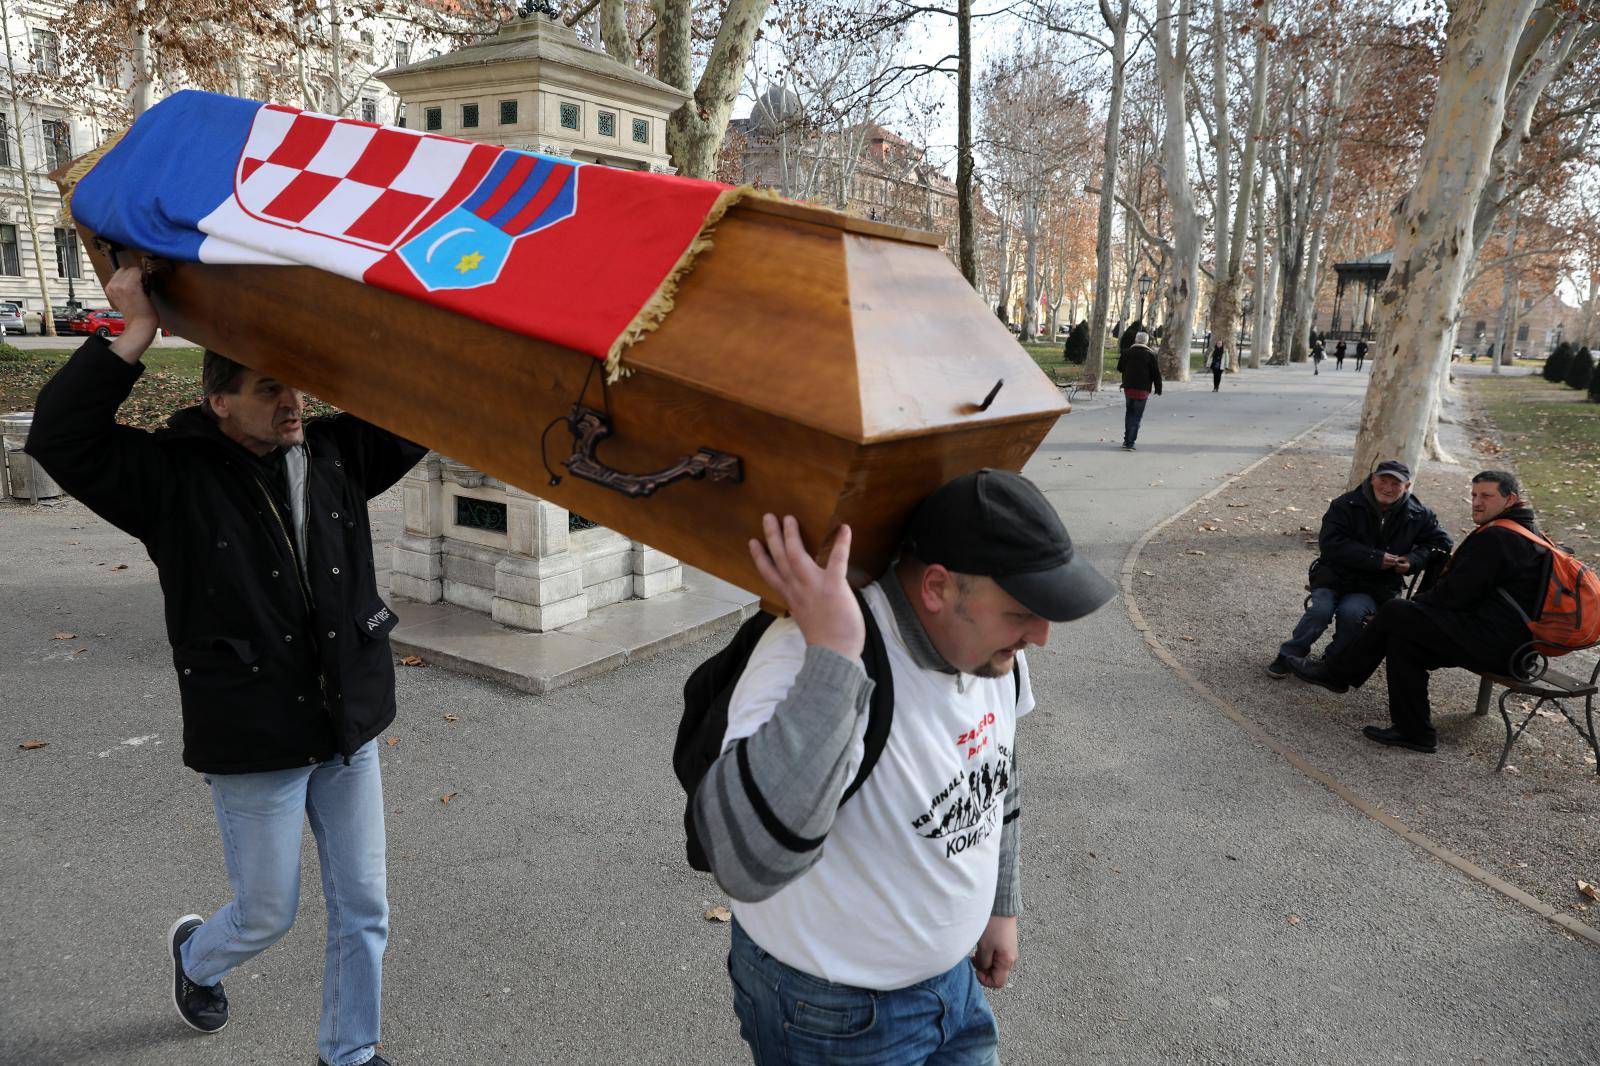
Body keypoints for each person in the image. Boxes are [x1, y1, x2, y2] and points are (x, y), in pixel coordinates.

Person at [25, 265, 426, 1066]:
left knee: (365, 906)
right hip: (254, 731)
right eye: (269, 389)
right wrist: (133, 330)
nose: (292, 405)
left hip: (350, 722)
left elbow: (428, 402)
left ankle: (349, 1052)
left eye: (297, 387)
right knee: (267, 912)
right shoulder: (169, 479)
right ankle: (196, 957)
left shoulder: (338, 453)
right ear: (218, 401)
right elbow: (59, 439)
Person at [694, 469, 1115, 1066]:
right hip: (832, 1018)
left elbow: (996, 773)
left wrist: (1000, 903)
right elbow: (746, 866)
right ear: (938, 588)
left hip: (955, 991)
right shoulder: (802, 659)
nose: (1042, 636)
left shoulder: (995, 653)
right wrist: (834, 659)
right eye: (1023, 611)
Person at [1287, 471, 1546, 753]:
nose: (1477, 502)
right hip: (1513, 646)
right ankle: (1415, 732)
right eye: (1474, 495)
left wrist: (1418, 605)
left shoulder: (1500, 537)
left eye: (1486, 496)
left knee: (1397, 610)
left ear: (1510, 499)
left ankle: (1337, 673)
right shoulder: (1524, 531)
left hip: (1497, 645)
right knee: (1403, 641)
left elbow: (1455, 596)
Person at [1267, 460, 1452, 679]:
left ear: (1407, 486)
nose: (1388, 488)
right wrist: (1374, 558)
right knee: (1320, 610)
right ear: (1373, 479)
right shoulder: (1345, 504)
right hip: (1335, 576)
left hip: (1376, 587)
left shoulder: (1420, 514)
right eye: (1384, 480)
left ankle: (1333, 662)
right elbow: (1330, 543)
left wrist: (1412, 559)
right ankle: (1288, 655)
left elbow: (1441, 543)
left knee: (1351, 613)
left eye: (1396, 483)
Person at [1119, 330, 1162, 450]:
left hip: (1129, 387)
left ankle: (1127, 440)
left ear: (1136, 340)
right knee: (1137, 416)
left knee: (1129, 413)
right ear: (1146, 342)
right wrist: (1158, 388)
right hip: (1143, 390)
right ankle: (1130, 442)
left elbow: (1120, 367)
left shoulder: (1127, 352)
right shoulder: (1151, 354)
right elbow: (1156, 374)